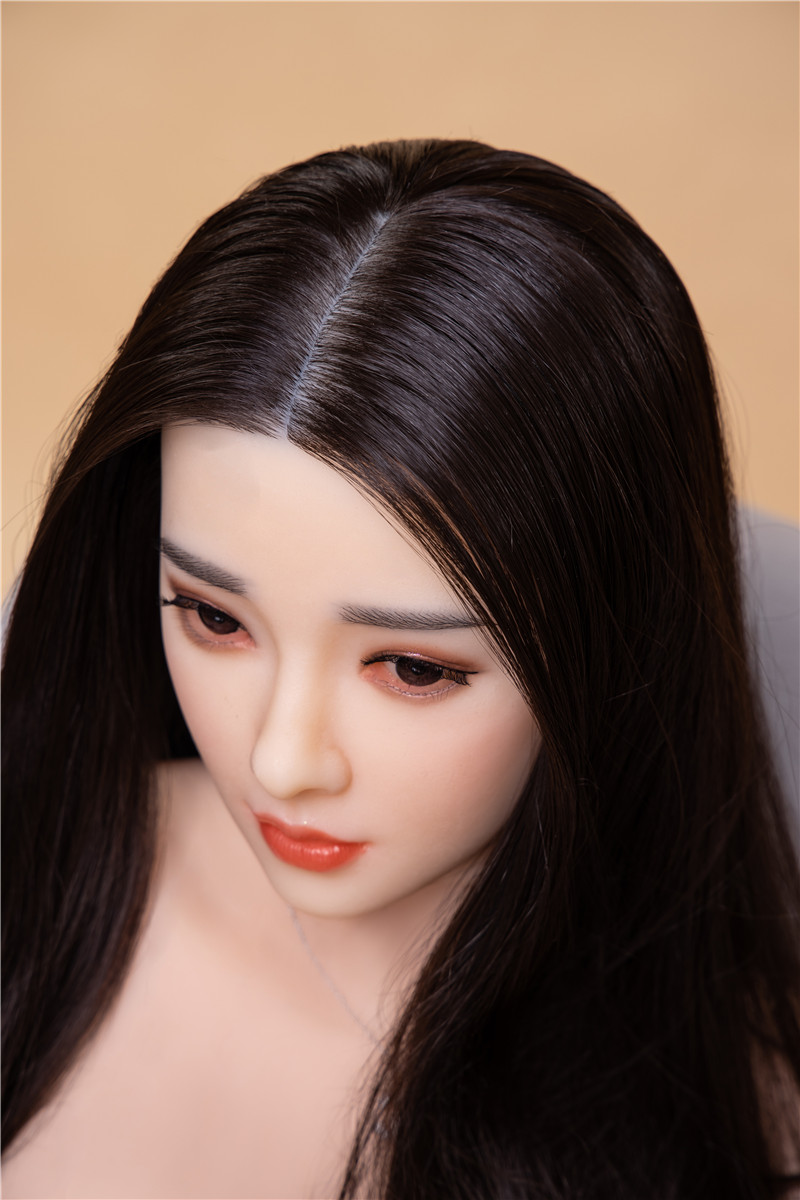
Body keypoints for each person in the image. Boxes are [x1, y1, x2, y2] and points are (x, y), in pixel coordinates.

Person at [2, 139, 799, 1200]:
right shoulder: (26, 869)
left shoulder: (729, 1113)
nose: (282, 762)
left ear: (612, 643)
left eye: (413, 670)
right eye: (213, 617)